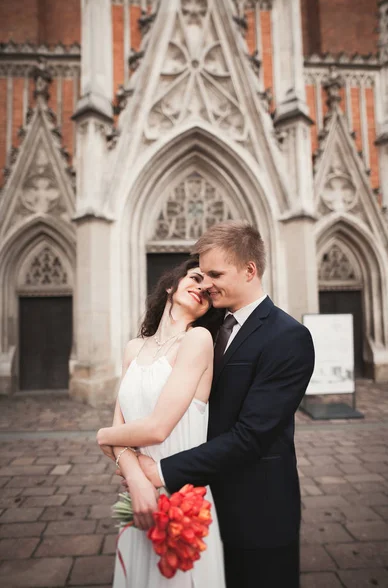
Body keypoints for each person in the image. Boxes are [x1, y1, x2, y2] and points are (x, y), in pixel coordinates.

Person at [136, 221, 315, 588]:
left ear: (250, 270)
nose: (205, 285)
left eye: (215, 274)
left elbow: (251, 437)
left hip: (257, 514)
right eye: (201, 275)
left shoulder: (288, 337)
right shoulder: (207, 328)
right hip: (198, 507)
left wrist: (159, 472)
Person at [97, 258, 226, 587]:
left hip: (183, 495)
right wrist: (138, 483)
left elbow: (156, 429)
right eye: (195, 278)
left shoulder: (197, 341)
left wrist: (104, 438)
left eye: (208, 293)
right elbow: (119, 432)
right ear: (171, 285)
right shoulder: (132, 349)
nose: (201, 288)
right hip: (140, 499)